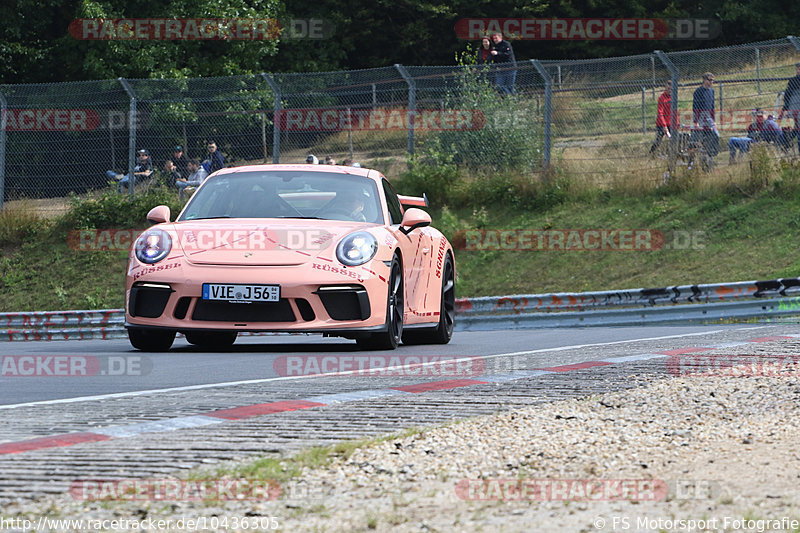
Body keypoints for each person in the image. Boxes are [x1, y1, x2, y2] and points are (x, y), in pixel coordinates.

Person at [692, 72, 719, 158]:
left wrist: (713, 120)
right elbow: (695, 107)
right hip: (700, 117)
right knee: (700, 137)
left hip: (709, 117)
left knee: (715, 135)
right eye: (710, 80)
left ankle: (711, 156)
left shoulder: (711, 91)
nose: (712, 82)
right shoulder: (698, 91)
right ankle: (700, 156)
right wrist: (696, 121)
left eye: (713, 80)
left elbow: (712, 106)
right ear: (704, 80)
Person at [779, 62, 800, 153]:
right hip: (793, 109)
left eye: (799, 69)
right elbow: (787, 95)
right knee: (787, 127)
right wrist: (785, 109)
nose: (798, 71)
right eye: (797, 69)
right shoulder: (793, 81)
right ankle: (787, 144)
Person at [650, 80, 672, 154]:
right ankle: (651, 153)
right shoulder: (662, 98)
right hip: (661, 124)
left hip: (671, 124)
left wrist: (677, 123)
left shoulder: (674, 98)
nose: (670, 90)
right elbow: (660, 113)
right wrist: (664, 126)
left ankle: (671, 153)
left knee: (675, 140)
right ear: (665, 88)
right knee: (658, 140)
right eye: (668, 88)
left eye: (671, 89)